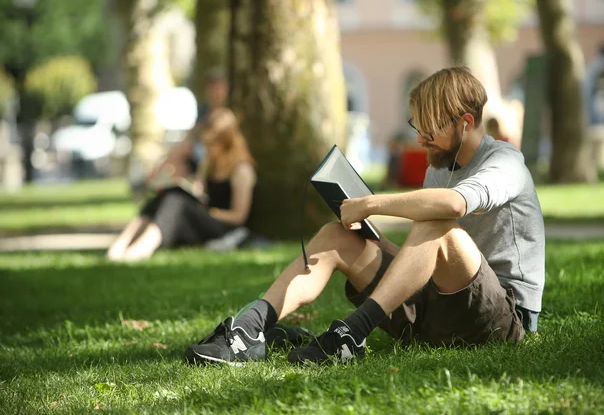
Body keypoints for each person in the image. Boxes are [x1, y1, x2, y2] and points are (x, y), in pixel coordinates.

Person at [184, 67, 545, 365]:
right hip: (436, 309)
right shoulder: (440, 167)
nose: (420, 139)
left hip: (502, 318)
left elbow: (452, 208)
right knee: (337, 236)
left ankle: (351, 334)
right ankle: (249, 330)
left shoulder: (505, 162)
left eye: (429, 129)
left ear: (465, 122)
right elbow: (424, 256)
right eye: (417, 126)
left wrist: (370, 204)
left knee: (438, 222)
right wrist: (368, 237)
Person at [107, 108, 257, 262]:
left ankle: (141, 249)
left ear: (226, 142)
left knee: (176, 202)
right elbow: (201, 192)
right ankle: (121, 244)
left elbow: (239, 217)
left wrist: (211, 212)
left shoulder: (241, 170)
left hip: (224, 228)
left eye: (213, 144)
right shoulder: (209, 164)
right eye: (206, 144)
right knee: (166, 196)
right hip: (204, 219)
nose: (209, 149)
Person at [149, 67, 229, 182]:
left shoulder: (229, 112)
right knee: (179, 165)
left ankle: (152, 178)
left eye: (218, 87)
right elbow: (193, 134)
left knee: (185, 148)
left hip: (217, 154)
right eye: (212, 87)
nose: (214, 92)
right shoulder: (204, 111)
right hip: (201, 152)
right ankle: (166, 189)